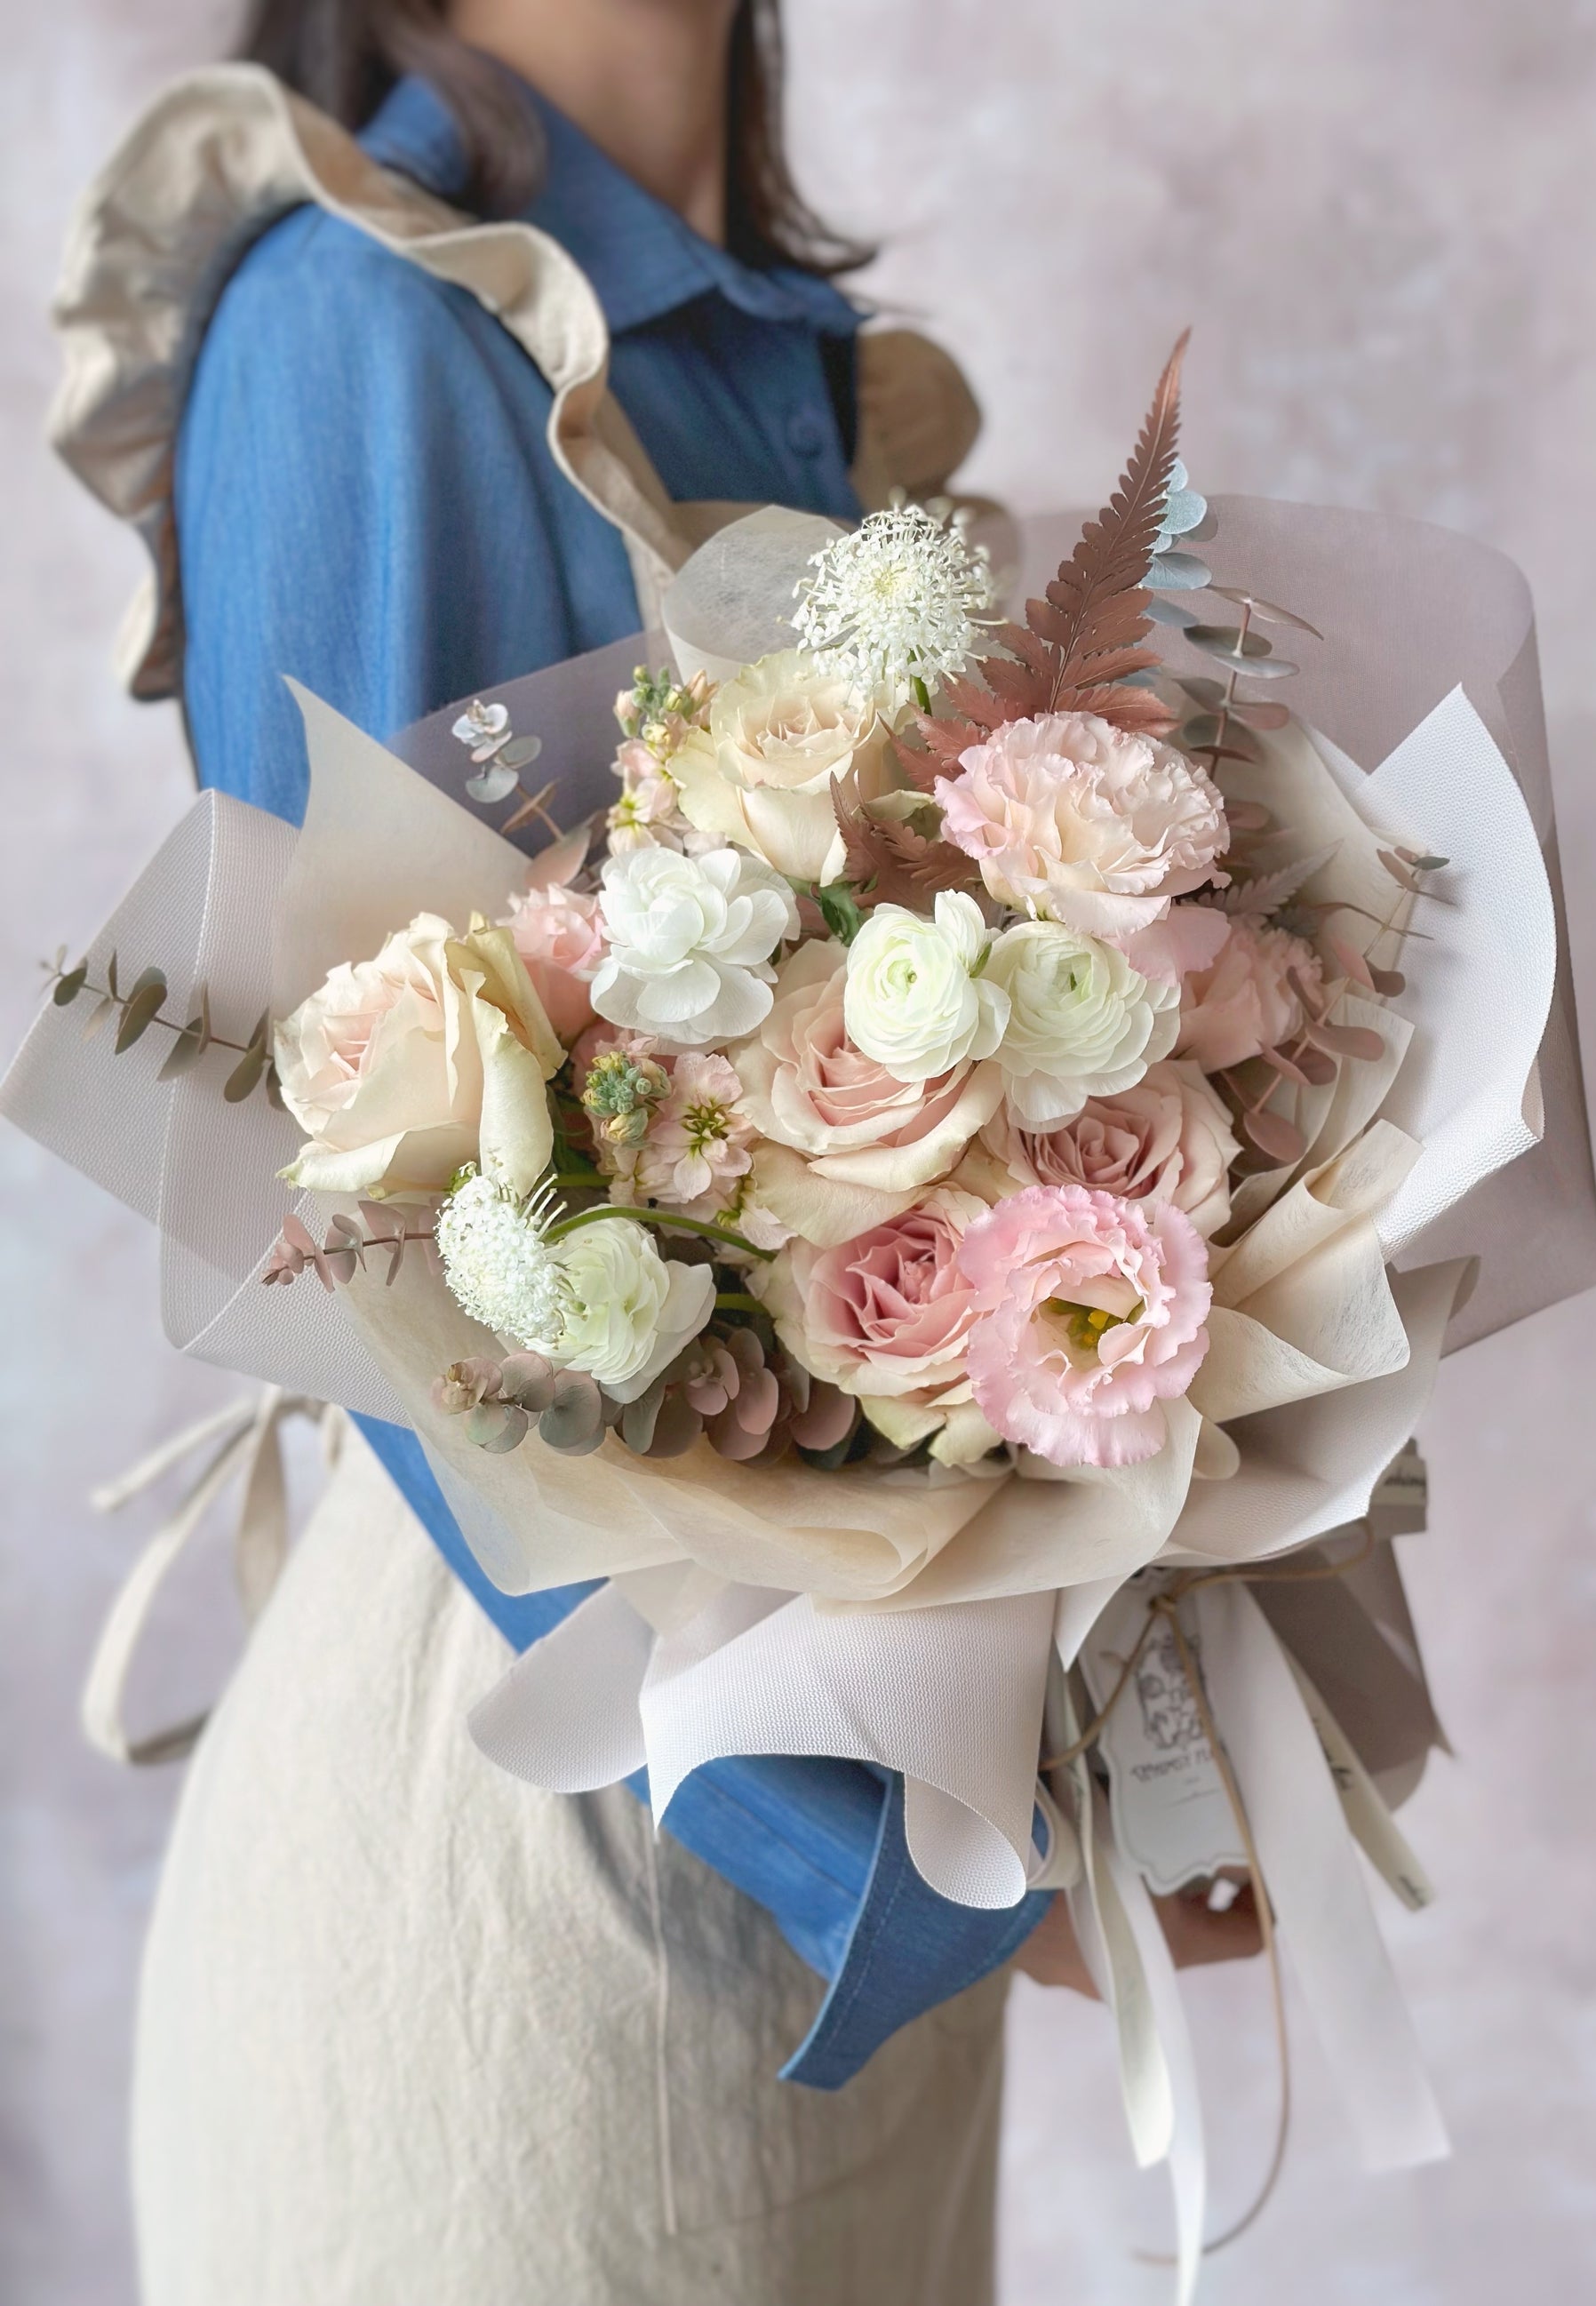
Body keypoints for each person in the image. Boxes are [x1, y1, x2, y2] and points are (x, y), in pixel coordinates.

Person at [50, 4, 1253, 2297]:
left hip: (861, 1769)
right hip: (548, 1816)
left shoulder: (788, 368)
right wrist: (902, 1847)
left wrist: (1129, 1747)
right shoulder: (368, 323)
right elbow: (390, 1211)